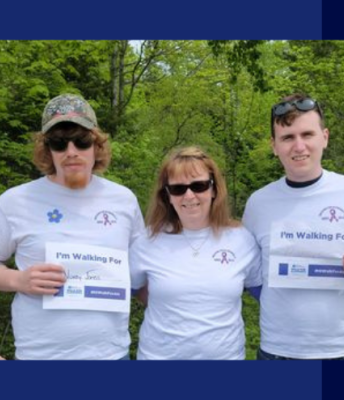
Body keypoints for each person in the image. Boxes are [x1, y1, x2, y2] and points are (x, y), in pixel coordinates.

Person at [243, 93, 344, 360]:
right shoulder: (258, 203)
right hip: (279, 352)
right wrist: (272, 299)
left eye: (308, 134)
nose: (299, 146)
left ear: (324, 137)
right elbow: (248, 268)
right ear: (274, 145)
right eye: (288, 137)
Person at [0, 94, 144, 360]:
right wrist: (17, 279)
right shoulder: (13, 201)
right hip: (39, 358)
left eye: (81, 141)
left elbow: (142, 273)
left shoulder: (124, 200)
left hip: (112, 357)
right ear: (46, 149)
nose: (71, 151)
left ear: (96, 145)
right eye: (59, 143)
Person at [129, 146, 262, 360]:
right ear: (167, 195)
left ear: (214, 189)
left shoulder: (242, 240)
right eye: (178, 189)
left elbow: (266, 294)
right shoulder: (146, 241)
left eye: (199, 186)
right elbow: (128, 290)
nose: (189, 195)